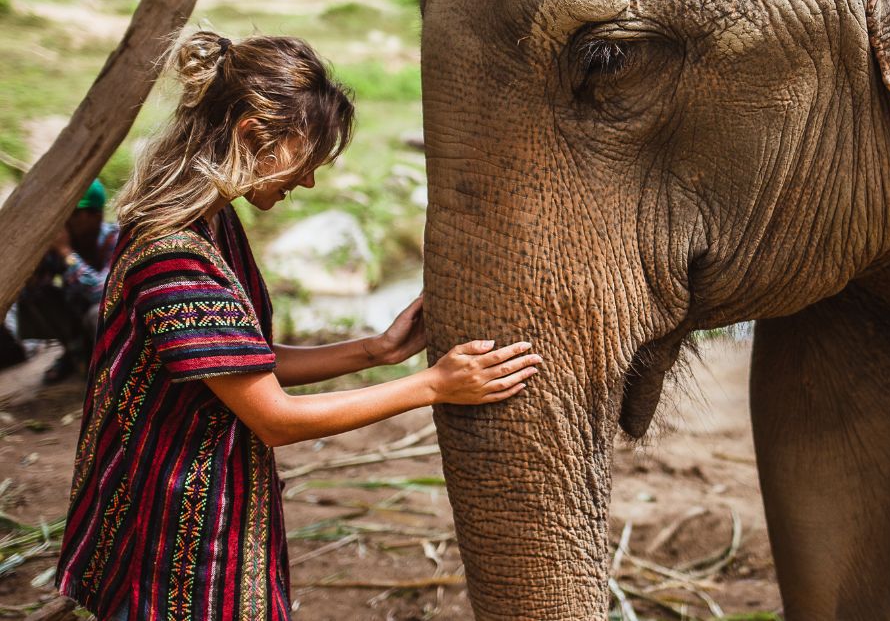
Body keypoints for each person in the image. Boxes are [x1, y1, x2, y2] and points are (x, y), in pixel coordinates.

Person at [54, 31, 540, 620]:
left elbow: (243, 362)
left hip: (212, 503)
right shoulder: (174, 257)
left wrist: (375, 350)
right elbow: (275, 417)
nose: (306, 181)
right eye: (305, 159)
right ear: (252, 135)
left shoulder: (211, 224)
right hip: (178, 535)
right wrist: (433, 386)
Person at [12, 179, 120, 382]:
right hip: (75, 317)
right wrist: (34, 269)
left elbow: (103, 293)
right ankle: (74, 353)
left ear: (96, 215)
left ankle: (111, 365)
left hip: (107, 318)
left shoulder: (114, 239)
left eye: (74, 214)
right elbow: (34, 289)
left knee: (96, 312)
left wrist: (66, 253)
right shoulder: (64, 241)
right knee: (33, 296)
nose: (66, 221)